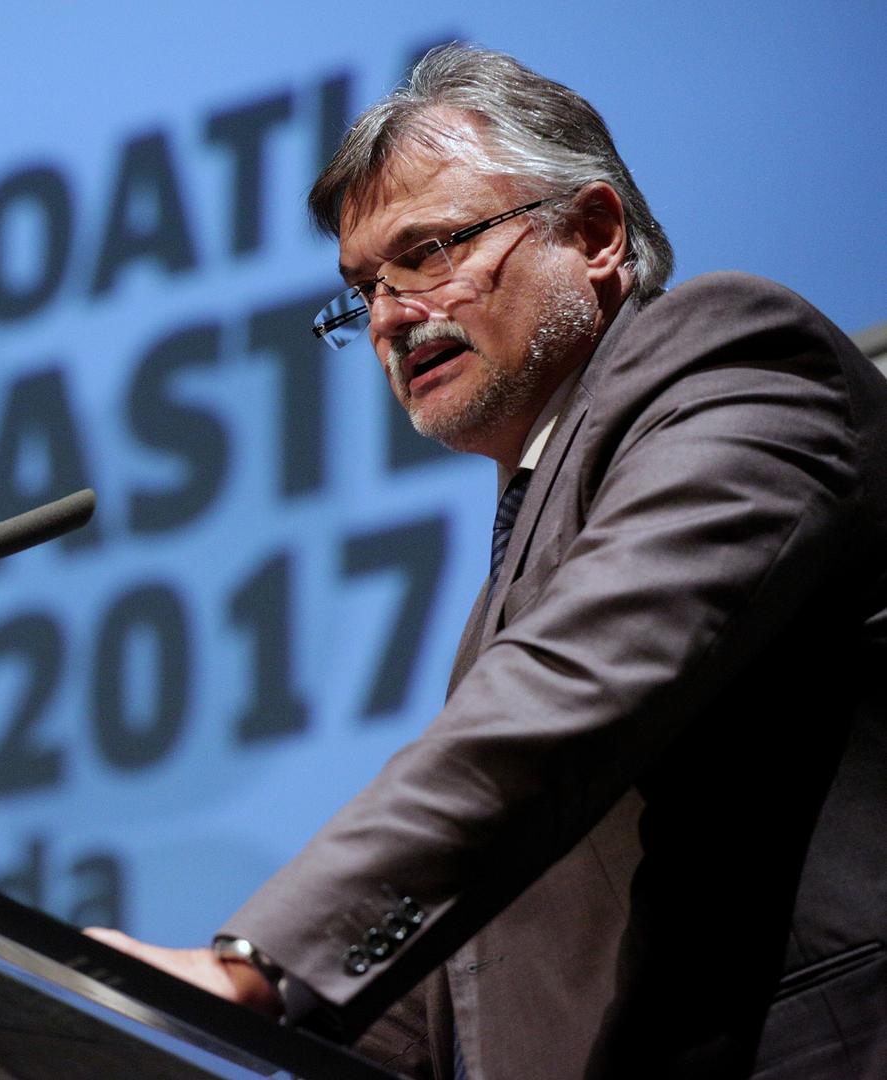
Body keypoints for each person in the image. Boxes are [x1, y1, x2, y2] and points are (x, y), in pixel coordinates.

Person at [87, 45, 887, 1079]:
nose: (390, 316)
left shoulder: (732, 358)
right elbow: (476, 969)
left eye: (429, 252)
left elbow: (567, 698)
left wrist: (256, 968)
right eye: (364, 289)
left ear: (594, 234)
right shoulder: (525, 543)